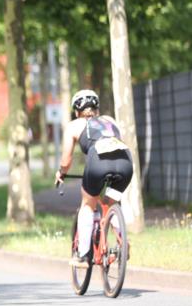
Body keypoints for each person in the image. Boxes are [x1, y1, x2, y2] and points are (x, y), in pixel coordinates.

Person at [55, 89, 134, 264]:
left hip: (98, 164)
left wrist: (61, 173)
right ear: (96, 108)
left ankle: (83, 255)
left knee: (87, 204)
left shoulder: (74, 125)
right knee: (110, 202)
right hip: (124, 163)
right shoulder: (110, 120)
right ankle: (123, 242)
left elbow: (66, 159)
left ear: (76, 111)